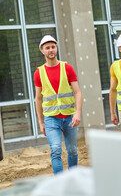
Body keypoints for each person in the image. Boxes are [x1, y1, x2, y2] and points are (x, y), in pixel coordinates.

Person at [34, 35, 82, 174]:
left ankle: (72, 178)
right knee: (55, 149)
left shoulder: (67, 68)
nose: (51, 50)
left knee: (72, 150)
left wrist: (77, 113)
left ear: (56, 48)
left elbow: (77, 92)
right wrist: (41, 122)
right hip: (51, 119)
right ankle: (60, 183)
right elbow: (38, 99)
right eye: (47, 48)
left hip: (69, 117)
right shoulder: (39, 73)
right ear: (42, 51)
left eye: (53, 47)